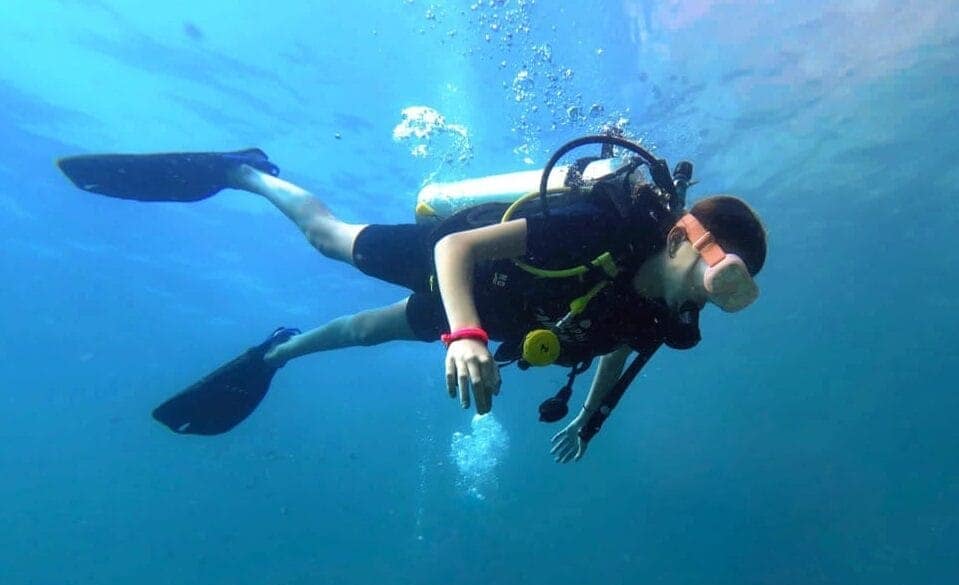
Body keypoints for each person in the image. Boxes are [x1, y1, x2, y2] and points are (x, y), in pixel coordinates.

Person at [57, 136, 766, 462]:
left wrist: (589, 419)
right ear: (682, 238)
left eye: (732, 293)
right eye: (721, 275)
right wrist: (465, 339)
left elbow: (618, 343)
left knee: (365, 332)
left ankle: (279, 352)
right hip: (461, 272)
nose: (713, 297)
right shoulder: (595, 224)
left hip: (494, 316)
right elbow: (455, 252)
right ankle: (248, 172)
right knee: (327, 239)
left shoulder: (663, 311)